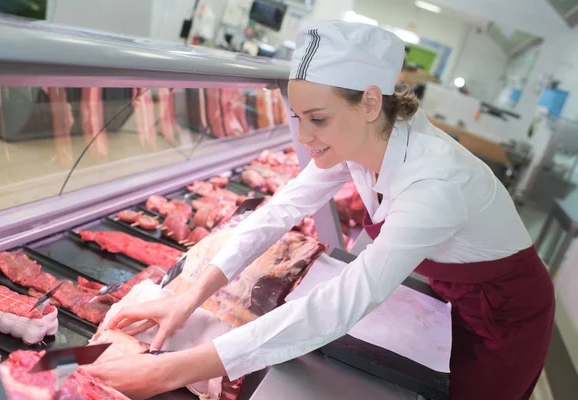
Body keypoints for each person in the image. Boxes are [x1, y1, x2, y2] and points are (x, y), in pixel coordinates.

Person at [82, 20, 555, 400]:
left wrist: (168, 371)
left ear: (370, 102)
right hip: (451, 297)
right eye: (297, 119)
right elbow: (277, 212)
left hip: (505, 322)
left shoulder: (434, 182)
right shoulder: (363, 140)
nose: (305, 138)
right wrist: (185, 298)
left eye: (318, 119)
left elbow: (340, 306)